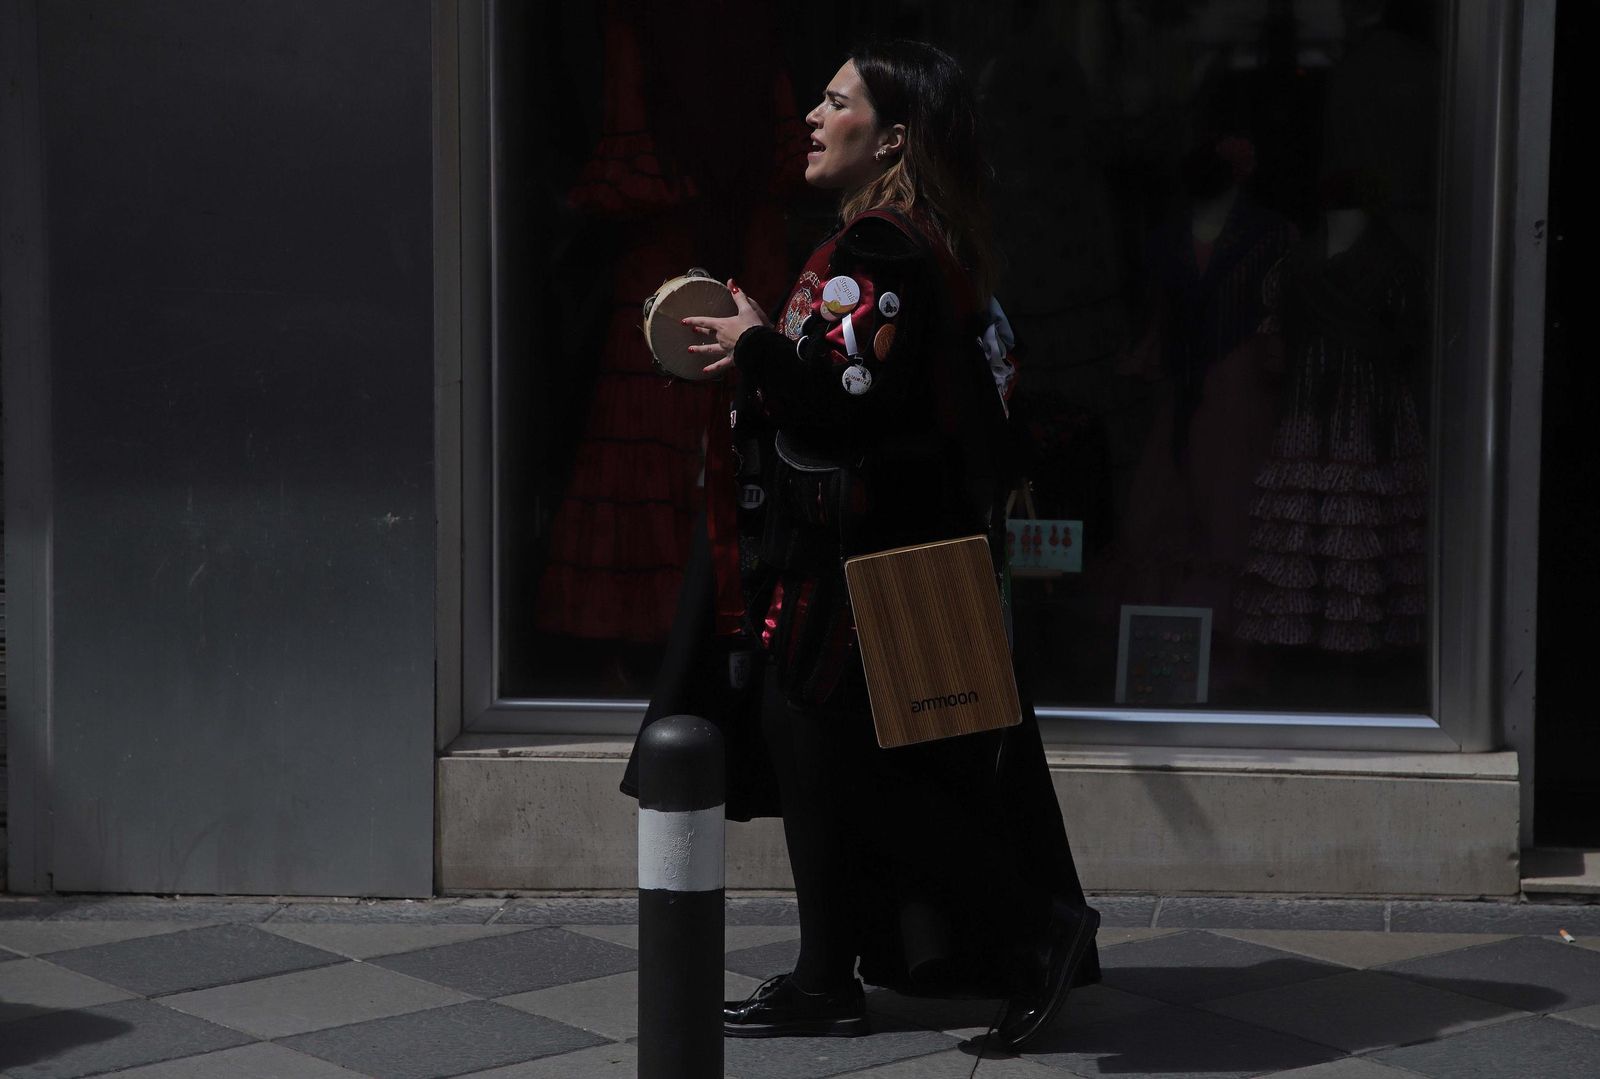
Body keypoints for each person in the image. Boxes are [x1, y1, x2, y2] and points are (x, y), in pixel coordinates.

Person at [676, 40, 1101, 1051]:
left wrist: (754, 347)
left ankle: (1033, 929)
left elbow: (845, 395)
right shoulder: (902, 240)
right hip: (870, 557)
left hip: (862, 565)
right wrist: (762, 341)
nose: (813, 118)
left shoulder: (882, 246)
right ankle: (826, 974)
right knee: (828, 757)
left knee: (855, 770)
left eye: (835, 102)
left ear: (893, 137)